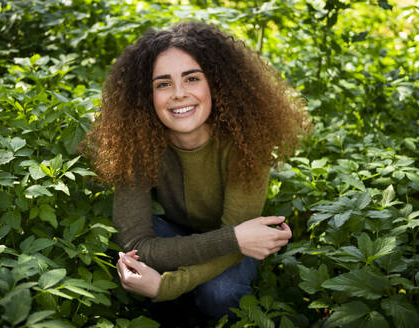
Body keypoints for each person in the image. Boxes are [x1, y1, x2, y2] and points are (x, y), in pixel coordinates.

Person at [81, 21, 310, 319]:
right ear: (145, 95)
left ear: (215, 82)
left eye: (191, 79)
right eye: (163, 83)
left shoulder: (247, 140)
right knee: (130, 257)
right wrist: (233, 238)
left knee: (220, 293)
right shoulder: (135, 140)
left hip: (238, 246)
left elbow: (242, 242)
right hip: (208, 235)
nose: (178, 93)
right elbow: (135, 245)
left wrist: (166, 286)